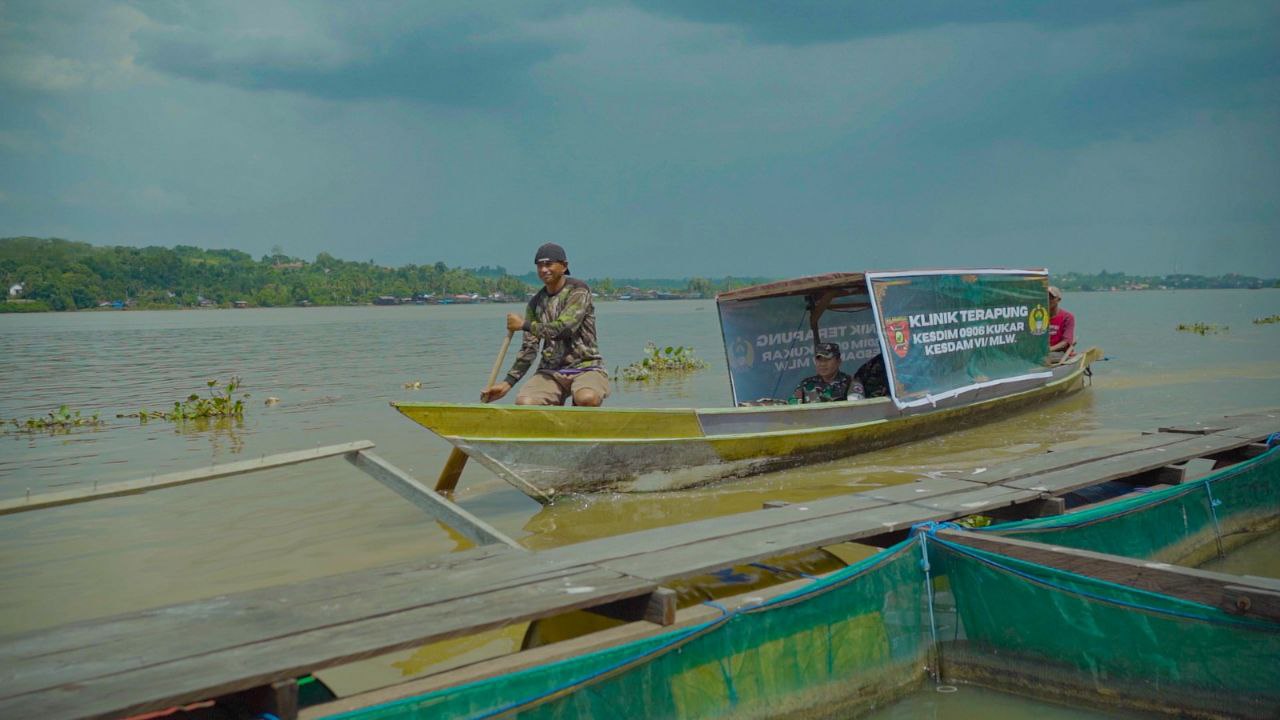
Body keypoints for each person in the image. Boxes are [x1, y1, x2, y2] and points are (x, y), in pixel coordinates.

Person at [481, 243, 609, 406]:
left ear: (564, 266)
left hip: (586, 367)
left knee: (587, 398)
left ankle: (581, 424)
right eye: (539, 266)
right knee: (525, 402)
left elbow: (565, 329)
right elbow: (529, 348)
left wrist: (524, 325)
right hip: (551, 371)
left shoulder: (578, 290)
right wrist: (507, 384)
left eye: (548, 264)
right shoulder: (535, 303)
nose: (543, 270)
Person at [791, 343, 864, 404]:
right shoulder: (806, 384)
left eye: (827, 360)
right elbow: (792, 408)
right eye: (819, 360)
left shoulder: (851, 383)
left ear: (838, 362)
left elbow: (855, 410)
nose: (822, 364)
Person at [1048, 285, 1076, 363]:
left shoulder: (1067, 317)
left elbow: (1065, 342)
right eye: (1046, 297)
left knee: (1044, 358)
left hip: (1061, 353)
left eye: (1051, 297)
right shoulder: (1039, 317)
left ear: (1058, 300)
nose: (1048, 300)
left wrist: (1049, 349)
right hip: (1043, 352)